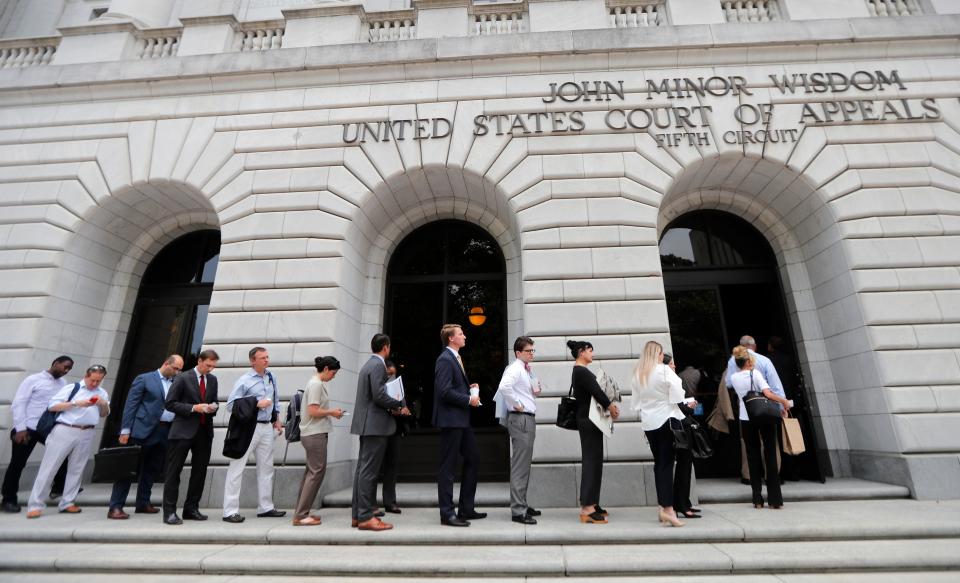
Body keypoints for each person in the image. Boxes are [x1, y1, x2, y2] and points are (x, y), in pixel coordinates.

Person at [26, 364, 110, 518]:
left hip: (87, 431)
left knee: (77, 469)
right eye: (93, 380)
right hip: (65, 428)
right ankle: (35, 504)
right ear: (86, 375)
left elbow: (104, 414)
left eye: (98, 381)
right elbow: (52, 406)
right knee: (50, 467)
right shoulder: (73, 388)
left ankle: (68, 502)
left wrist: (103, 404)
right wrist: (75, 403)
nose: (95, 384)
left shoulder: (102, 393)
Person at [108, 355, 184, 519]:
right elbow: (131, 404)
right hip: (141, 430)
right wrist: (125, 430)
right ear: (166, 364)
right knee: (128, 469)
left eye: (180, 370)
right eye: (175, 368)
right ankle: (116, 506)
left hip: (164, 430)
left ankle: (143, 503)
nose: (177, 372)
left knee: (152, 469)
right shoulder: (145, 379)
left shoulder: (176, 383)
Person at [2, 356, 74, 513]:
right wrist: (20, 428)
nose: (66, 371)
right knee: (17, 464)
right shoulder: (33, 379)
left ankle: (58, 488)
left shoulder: (63, 383)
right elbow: (19, 403)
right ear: (55, 363)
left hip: (46, 429)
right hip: (27, 428)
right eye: (64, 367)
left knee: (63, 453)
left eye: (69, 369)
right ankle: (8, 499)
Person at [223, 347, 285, 523]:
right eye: (262, 358)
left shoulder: (271, 377)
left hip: (267, 428)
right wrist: (256, 404)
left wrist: (277, 419)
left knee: (266, 468)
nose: (266, 360)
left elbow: (276, 400)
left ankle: (266, 507)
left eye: (267, 356)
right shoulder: (244, 380)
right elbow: (231, 405)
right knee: (237, 468)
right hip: (248, 428)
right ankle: (230, 511)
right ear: (252, 361)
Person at [351, 334, 406, 531]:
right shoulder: (377, 366)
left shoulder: (368, 365)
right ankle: (365, 516)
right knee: (368, 472)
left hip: (368, 424)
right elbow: (380, 395)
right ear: (385, 347)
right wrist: (398, 404)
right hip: (375, 425)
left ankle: (358, 514)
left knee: (362, 470)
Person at [729, 345, 793, 509]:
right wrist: (784, 403)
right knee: (770, 453)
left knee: (752, 457)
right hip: (764, 416)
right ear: (750, 361)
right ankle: (775, 499)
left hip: (746, 418)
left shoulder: (735, 378)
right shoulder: (755, 373)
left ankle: (757, 499)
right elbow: (768, 393)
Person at [631, 342, 685, 527]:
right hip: (666, 419)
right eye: (662, 353)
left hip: (649, 422)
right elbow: (678, 393)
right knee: (666, 464)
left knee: (659, 464)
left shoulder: (639, 373)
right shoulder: (663, 370)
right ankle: (668, 509)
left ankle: (663, 507)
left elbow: (636, 402)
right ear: (659, 354)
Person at [162, 349, 220, 525]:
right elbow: (170, 403)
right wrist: (194, 408)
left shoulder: (212, 380)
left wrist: (213, 407)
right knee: (174, 472)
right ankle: (170, 512)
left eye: (213, 366)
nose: (210, 369)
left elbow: (215, 400)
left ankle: (191, 508)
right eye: (208, 365)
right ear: (200, 361)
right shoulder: (182, 377)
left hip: (204, 431)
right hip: (182, 431)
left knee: (199, 472)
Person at [434, 324, 483, 527]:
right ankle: (447, 513)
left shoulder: (455, 358)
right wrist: (467, 399)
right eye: (461, 334)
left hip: (461, 421)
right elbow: (444, 391)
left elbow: (452, 386)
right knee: (448, 468)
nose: (465, 336)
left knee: (474, 458)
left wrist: (468, 388)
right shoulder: (445, 359)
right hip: (451, 421)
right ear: (451, 339)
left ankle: (466, 508)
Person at [568, 340, 619, 524]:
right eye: (590, 350)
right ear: (581, 352)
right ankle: (587, 508)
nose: (593, 354)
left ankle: (593, 503)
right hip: (588, 421)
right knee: (591, 461)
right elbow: (597, 391)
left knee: (595, 461)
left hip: (588, 421)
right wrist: (611, 407)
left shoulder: (579, 371)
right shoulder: (581, 371)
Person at [292, 356, 344, 526]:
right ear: (327, 369)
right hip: (314, 434)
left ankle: (301, 512)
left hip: (312, 433)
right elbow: (313, 411)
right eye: (334, 373)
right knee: (316, 473)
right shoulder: (316, 384)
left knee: (311, 473)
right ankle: (301, 516)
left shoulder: (315, 383)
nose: (334, 377)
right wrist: (332, 412)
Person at [496, 336, 542, 525]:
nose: (532, 353)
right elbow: (503, 387)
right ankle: (518, 510)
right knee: (520, 466)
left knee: (524, 465)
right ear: (518, 353)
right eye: (528, 351)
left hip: (526, 419)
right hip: (521, 418)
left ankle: (521, 503)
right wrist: (518, 404)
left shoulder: (525, 369)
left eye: (532, 350)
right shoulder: (515, 368)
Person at [726, 335, 784, 482]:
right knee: (770, 444)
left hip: (745, 409)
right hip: (766, 406)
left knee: (748, 444)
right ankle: (772, 475)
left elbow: (728, 383)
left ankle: (749, 475)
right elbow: (774, 386)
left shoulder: (733, 361)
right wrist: (782, 404)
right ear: (754, 346)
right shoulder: (764, 361)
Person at [664, 354, 700, 519]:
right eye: (671, 363)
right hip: (679, 427)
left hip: (677, 425)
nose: (674, 366)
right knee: (684, 466)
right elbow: (679, 406)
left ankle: (683, 502)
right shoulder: (670, 381)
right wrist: (690, 407)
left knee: (684, 466)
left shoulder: (668, 380)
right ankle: (683, 505)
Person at [379, 359, 404, 515]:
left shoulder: (398, 385)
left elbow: (402, 403)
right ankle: (368, 504)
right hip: (380, 429)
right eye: (388, 371)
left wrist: (403, 409)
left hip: (395, 429)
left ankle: (390, 502)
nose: (390, 373)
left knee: (392, 466)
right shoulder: (377, 384)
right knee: (373, 468)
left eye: (393, 371)